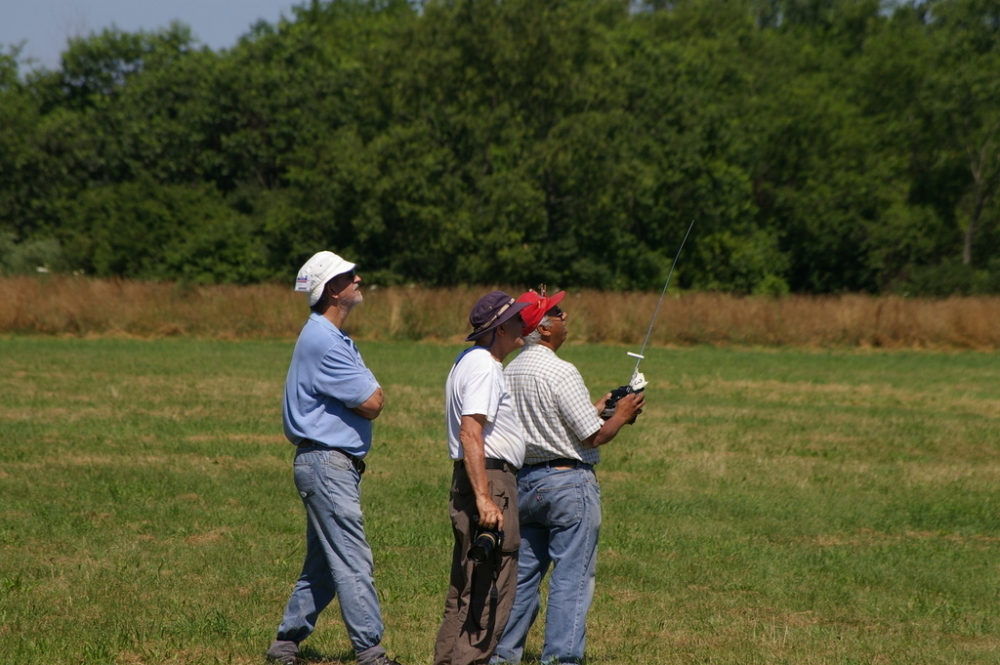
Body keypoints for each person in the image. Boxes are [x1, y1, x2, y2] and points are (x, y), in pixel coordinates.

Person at [492, 289, 645, 665]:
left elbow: (557, 420)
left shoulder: (510, 369)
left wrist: (600, 406)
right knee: (571, 578)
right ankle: (561, 658)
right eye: (558, 313)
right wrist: (622, 414)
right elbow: (593, 436)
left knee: (522, 578)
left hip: (525, 485)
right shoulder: (562, 370)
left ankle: (502, 655)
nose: (566, 317)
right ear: (543, 328)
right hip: (567, 485)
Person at [266, 251, 401, 665]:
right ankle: (371, 652)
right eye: (349, 275)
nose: (358, 278)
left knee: (325, 561)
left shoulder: (326, 337)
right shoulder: (325, 340)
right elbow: (374, 401)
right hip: (328, 464)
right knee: (352, 558)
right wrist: (365, 400)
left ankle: (285, 645)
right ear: (332, 291)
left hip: (324, 463)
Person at [434, 291, 531, 665]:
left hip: (476, 477)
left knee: (465, 588)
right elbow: (470, 433)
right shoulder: (486, 366)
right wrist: (485, 497)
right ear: (501, 327)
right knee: (489, 591)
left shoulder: (467, 361)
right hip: (489, 480)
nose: (525, 325)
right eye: (519, 320)